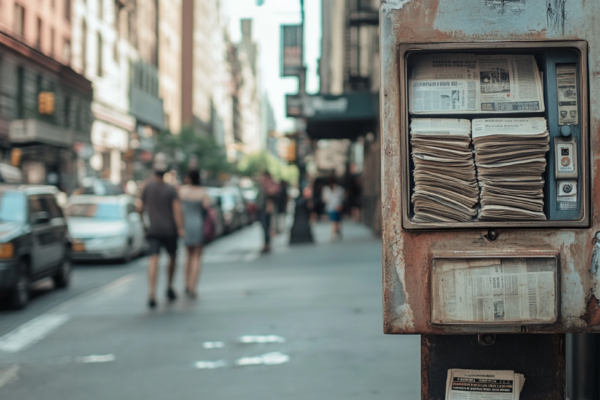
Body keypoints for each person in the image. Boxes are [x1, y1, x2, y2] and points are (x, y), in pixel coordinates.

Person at [140, 165, 184, 309]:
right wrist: (180, 228)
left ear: (154, 174)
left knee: (153, 258)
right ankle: (169, 286)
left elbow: (139, 208)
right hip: (169, 230)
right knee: (172, 257)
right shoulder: (171, 189)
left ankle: (152, 293)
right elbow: (177, 210)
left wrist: (143, 223)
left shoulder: (147, 188)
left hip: (153, 230)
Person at [179, 170, 211, 299]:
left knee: (187, 255)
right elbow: (207, 206)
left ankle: (186, 284)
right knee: (197, 257)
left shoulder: (183, 190)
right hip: (198, 224)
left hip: (186, 224)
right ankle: (193, 286)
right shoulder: (202, 191)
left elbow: (178, 207)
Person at [257, 172, 279, 253]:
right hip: (262, 209)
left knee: (266, 227)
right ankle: (267, 243)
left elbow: (274, 192)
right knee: (265, 227)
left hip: (266, 209)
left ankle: (267, 244)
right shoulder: (263, 185)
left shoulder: (269, 185)